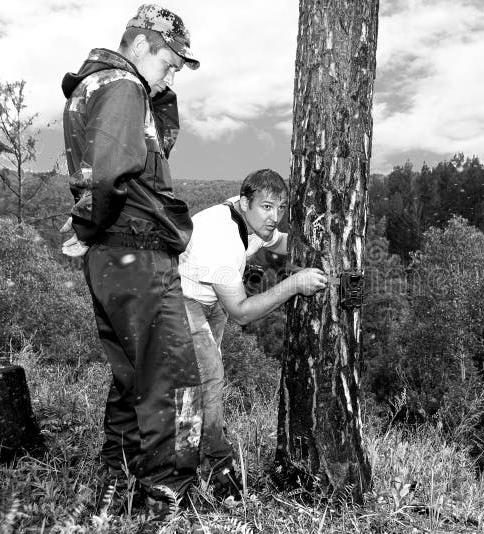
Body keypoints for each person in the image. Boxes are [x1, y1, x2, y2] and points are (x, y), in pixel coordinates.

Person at [60, 3, 203, 508]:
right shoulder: (123, 87)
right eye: (168, 62)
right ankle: (168, 497)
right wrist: (86, 222)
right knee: (173, 377)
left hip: (112, 256)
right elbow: (111, 175)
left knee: (131, 380)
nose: (169, 76)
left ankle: (114, 487)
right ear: (141, 45)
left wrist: (161, 90)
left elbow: (150, 150)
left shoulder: (95, 88)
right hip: (136, 251)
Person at [177, 168, 327, 497]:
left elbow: (278, 241)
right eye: (267, 207)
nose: (275, 217)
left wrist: (325, 250)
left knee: (199, 380)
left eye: (281, 207)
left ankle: (192, 454)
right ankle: (213, 468)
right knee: (208, 376)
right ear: (245, 202)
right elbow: (242, 313)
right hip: (181, 299)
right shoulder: (223, 239)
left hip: (211, 296)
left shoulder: (250, 217)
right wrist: (295, 284)